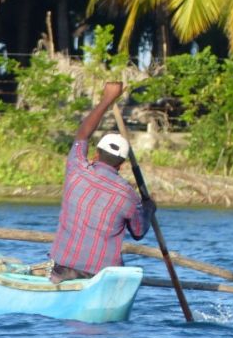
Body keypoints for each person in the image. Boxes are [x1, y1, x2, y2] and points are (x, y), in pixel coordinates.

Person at [49, 81, 156, 283]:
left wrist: (107, 98)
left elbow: (83, 134)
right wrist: (149, 208)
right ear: (122, 164)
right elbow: (139, 231)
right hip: (103, 277)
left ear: (96, 154)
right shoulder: (128, 195)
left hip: (63, 270)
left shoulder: (77, 169)